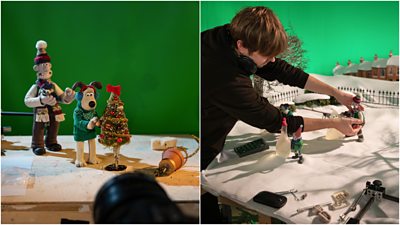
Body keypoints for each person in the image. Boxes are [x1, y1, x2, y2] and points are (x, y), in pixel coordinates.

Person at [201, 6, 363, 223]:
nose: (274, 61)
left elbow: (283, 71)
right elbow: (275, 121)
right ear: (242, 47)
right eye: (268, 56)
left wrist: (336, 93)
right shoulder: (226, 79)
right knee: (205, 204)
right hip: (198, 138)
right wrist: (334, 123)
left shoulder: (231, 35)